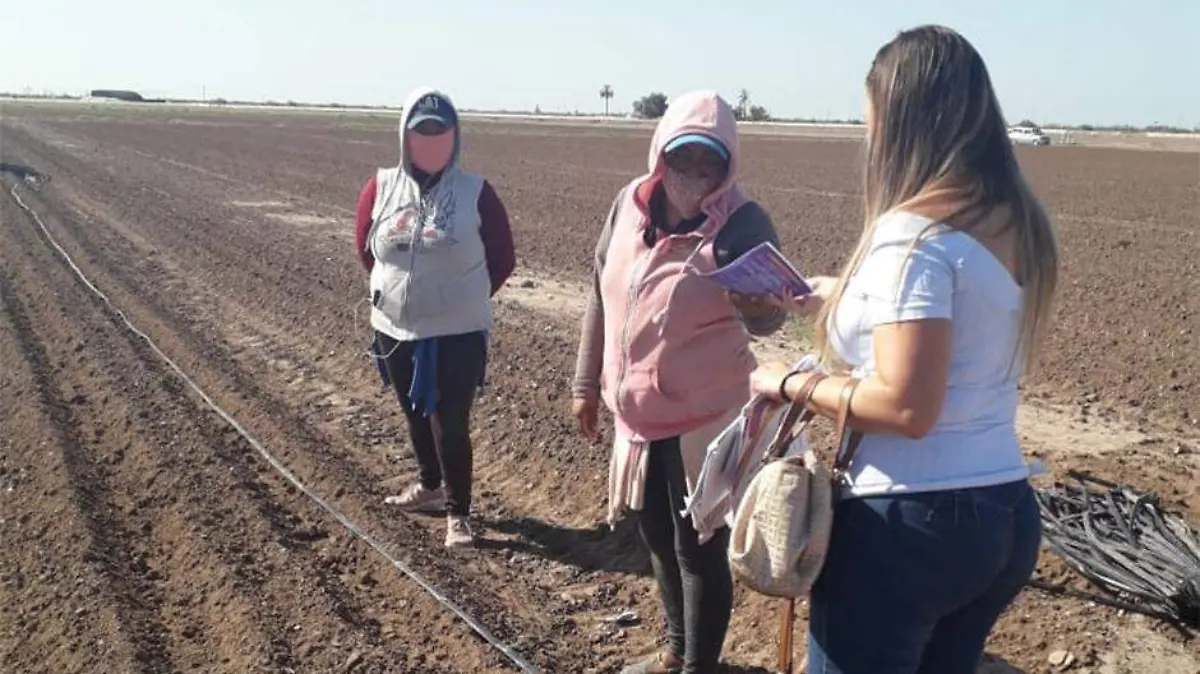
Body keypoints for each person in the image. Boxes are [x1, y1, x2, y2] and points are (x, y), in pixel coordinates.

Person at [750, 25, 1059, 673]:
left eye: (874, 126)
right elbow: (956, 326)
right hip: (1001, 513)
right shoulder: (1014, 225)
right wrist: (836, 298)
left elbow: (906, 407)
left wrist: (786, 383)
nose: (871, 143)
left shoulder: (910, 236)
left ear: (905, 125)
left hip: (909, 524)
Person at [572, 90, 788, 674]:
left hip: (704, 419)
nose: (695, 175)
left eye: (709, 163)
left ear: (727, 166)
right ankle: (675, 649)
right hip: (638, 418)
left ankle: (699, 666)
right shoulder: (628, 207)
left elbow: (770, 317)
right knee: (657, 540)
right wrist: (585, 384)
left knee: (697, 549)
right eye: (683, 159)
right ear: (660, 155)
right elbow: (601, 288)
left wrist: (758, 305)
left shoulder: (742, 222)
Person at [354, 87, 516, 549]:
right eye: (420, 133)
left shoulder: (475, 193)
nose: (429, 143)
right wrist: (395, 294)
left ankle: (458, 514)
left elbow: (503, 259)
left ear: (454, 138)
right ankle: (429, 486)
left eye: (439, 134)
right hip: (394, 326)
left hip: (457, 332)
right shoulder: (381, 188)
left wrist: (459, 300)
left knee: (451, 420)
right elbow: (366, 248)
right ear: (404, 137)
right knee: (411, 409)